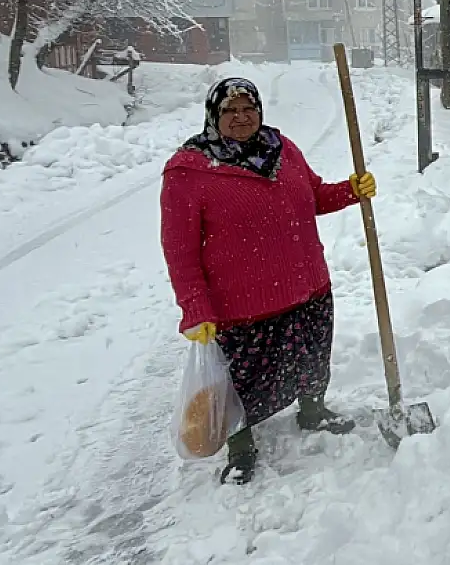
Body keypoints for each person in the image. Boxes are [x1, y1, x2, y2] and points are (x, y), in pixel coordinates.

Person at [160, 77, 377, 484]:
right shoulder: (188, 170)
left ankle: (313, 411)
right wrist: (195, 307)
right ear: (213, 116)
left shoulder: (282, 149)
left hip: (306, 287)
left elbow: (314, 198)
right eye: (230, 111)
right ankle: (240, 448)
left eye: (249, 109)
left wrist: (350, 191)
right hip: (241, 306)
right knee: (241, 381)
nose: (241, 118)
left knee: (312, 361)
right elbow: (180, 251)